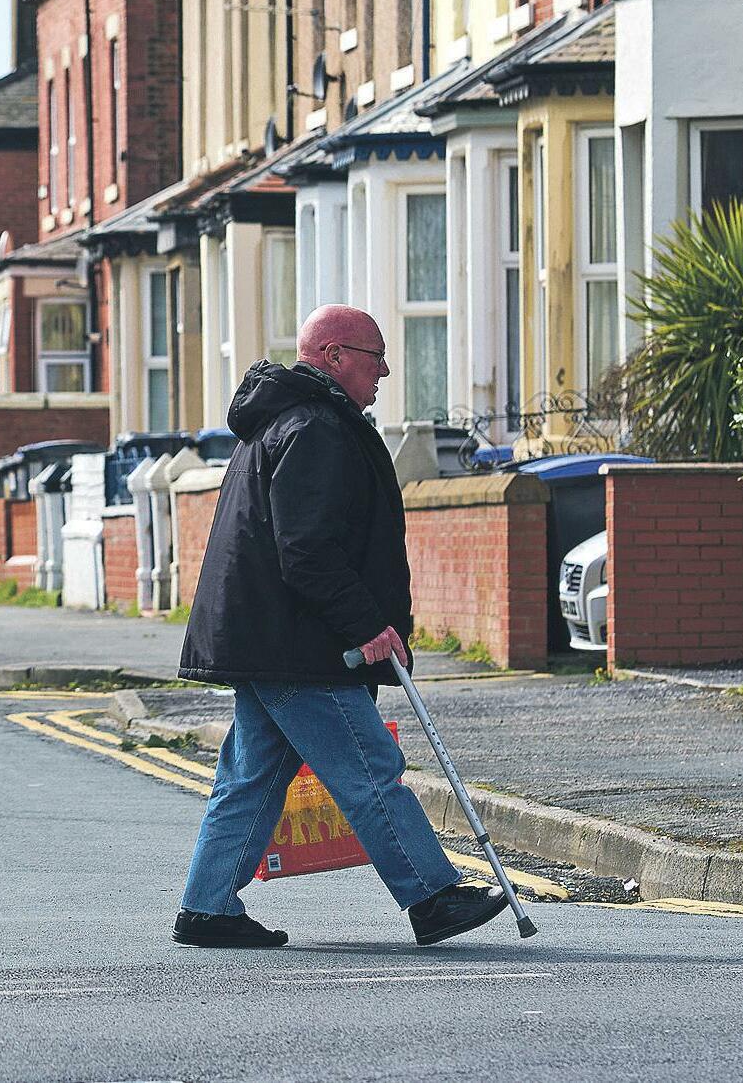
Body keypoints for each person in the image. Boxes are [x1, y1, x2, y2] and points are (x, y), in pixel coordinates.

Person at [170, 305, 511, 951]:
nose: (384, 369)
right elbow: (307, 550)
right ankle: (432, 897)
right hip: (301, 643)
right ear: (331, 354)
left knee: (252, 775)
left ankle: (207, 906)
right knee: (367, 767)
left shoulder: (278, 423)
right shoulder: (314, 428)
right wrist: (366, 626)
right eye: (372, 354)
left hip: (266, 639)